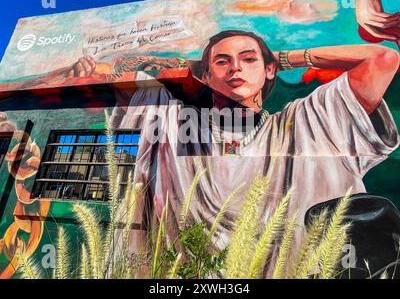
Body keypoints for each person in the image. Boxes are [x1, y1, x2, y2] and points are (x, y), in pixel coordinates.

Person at [63, 28, 397, 277]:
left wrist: (281, 59)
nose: (235, 68)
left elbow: (382, 59)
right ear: (205, 76)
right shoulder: (170, 120)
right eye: (221, 63)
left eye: (248, 59)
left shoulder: (304, 123)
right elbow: (98, 79)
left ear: (268, 70)